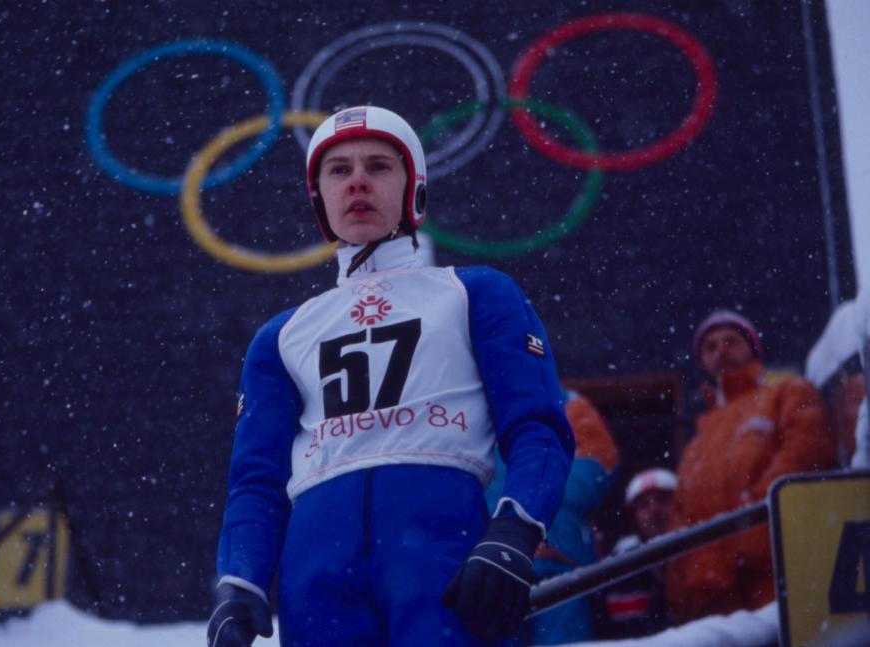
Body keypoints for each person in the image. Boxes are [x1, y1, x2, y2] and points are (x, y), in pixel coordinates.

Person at [207, 106, 575, 647]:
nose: (357, 180)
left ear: (414, 190)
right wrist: (239, 583)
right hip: (317, 574)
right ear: (319, 199)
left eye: (379, 166)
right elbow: (257, 483)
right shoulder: (279, 337)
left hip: (441, 550)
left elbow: (538, 427)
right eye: (338, 170)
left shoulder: (477, 293)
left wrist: (515, 530)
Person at [665, 310, 836, 622]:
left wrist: (749, 534)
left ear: (753, 348)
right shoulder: (696, 442)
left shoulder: (788, 392)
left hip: (769, 574)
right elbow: (682, 513)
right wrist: (681, 585)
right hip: (712, 592)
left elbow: (804, 454)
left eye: (731, 341)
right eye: (710, 347)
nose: (721, 351)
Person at [489, 391, 618, 645]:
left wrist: (516, 496)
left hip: (557, 562)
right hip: (499, 563)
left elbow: (596, 471)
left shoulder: (571, 404)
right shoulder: (486, 409)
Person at [594, 468, 676, 639]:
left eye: (662, 500)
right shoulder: (624, 574)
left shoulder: (701, 554)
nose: (654, 509)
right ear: (634, 517)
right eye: (644, 504)